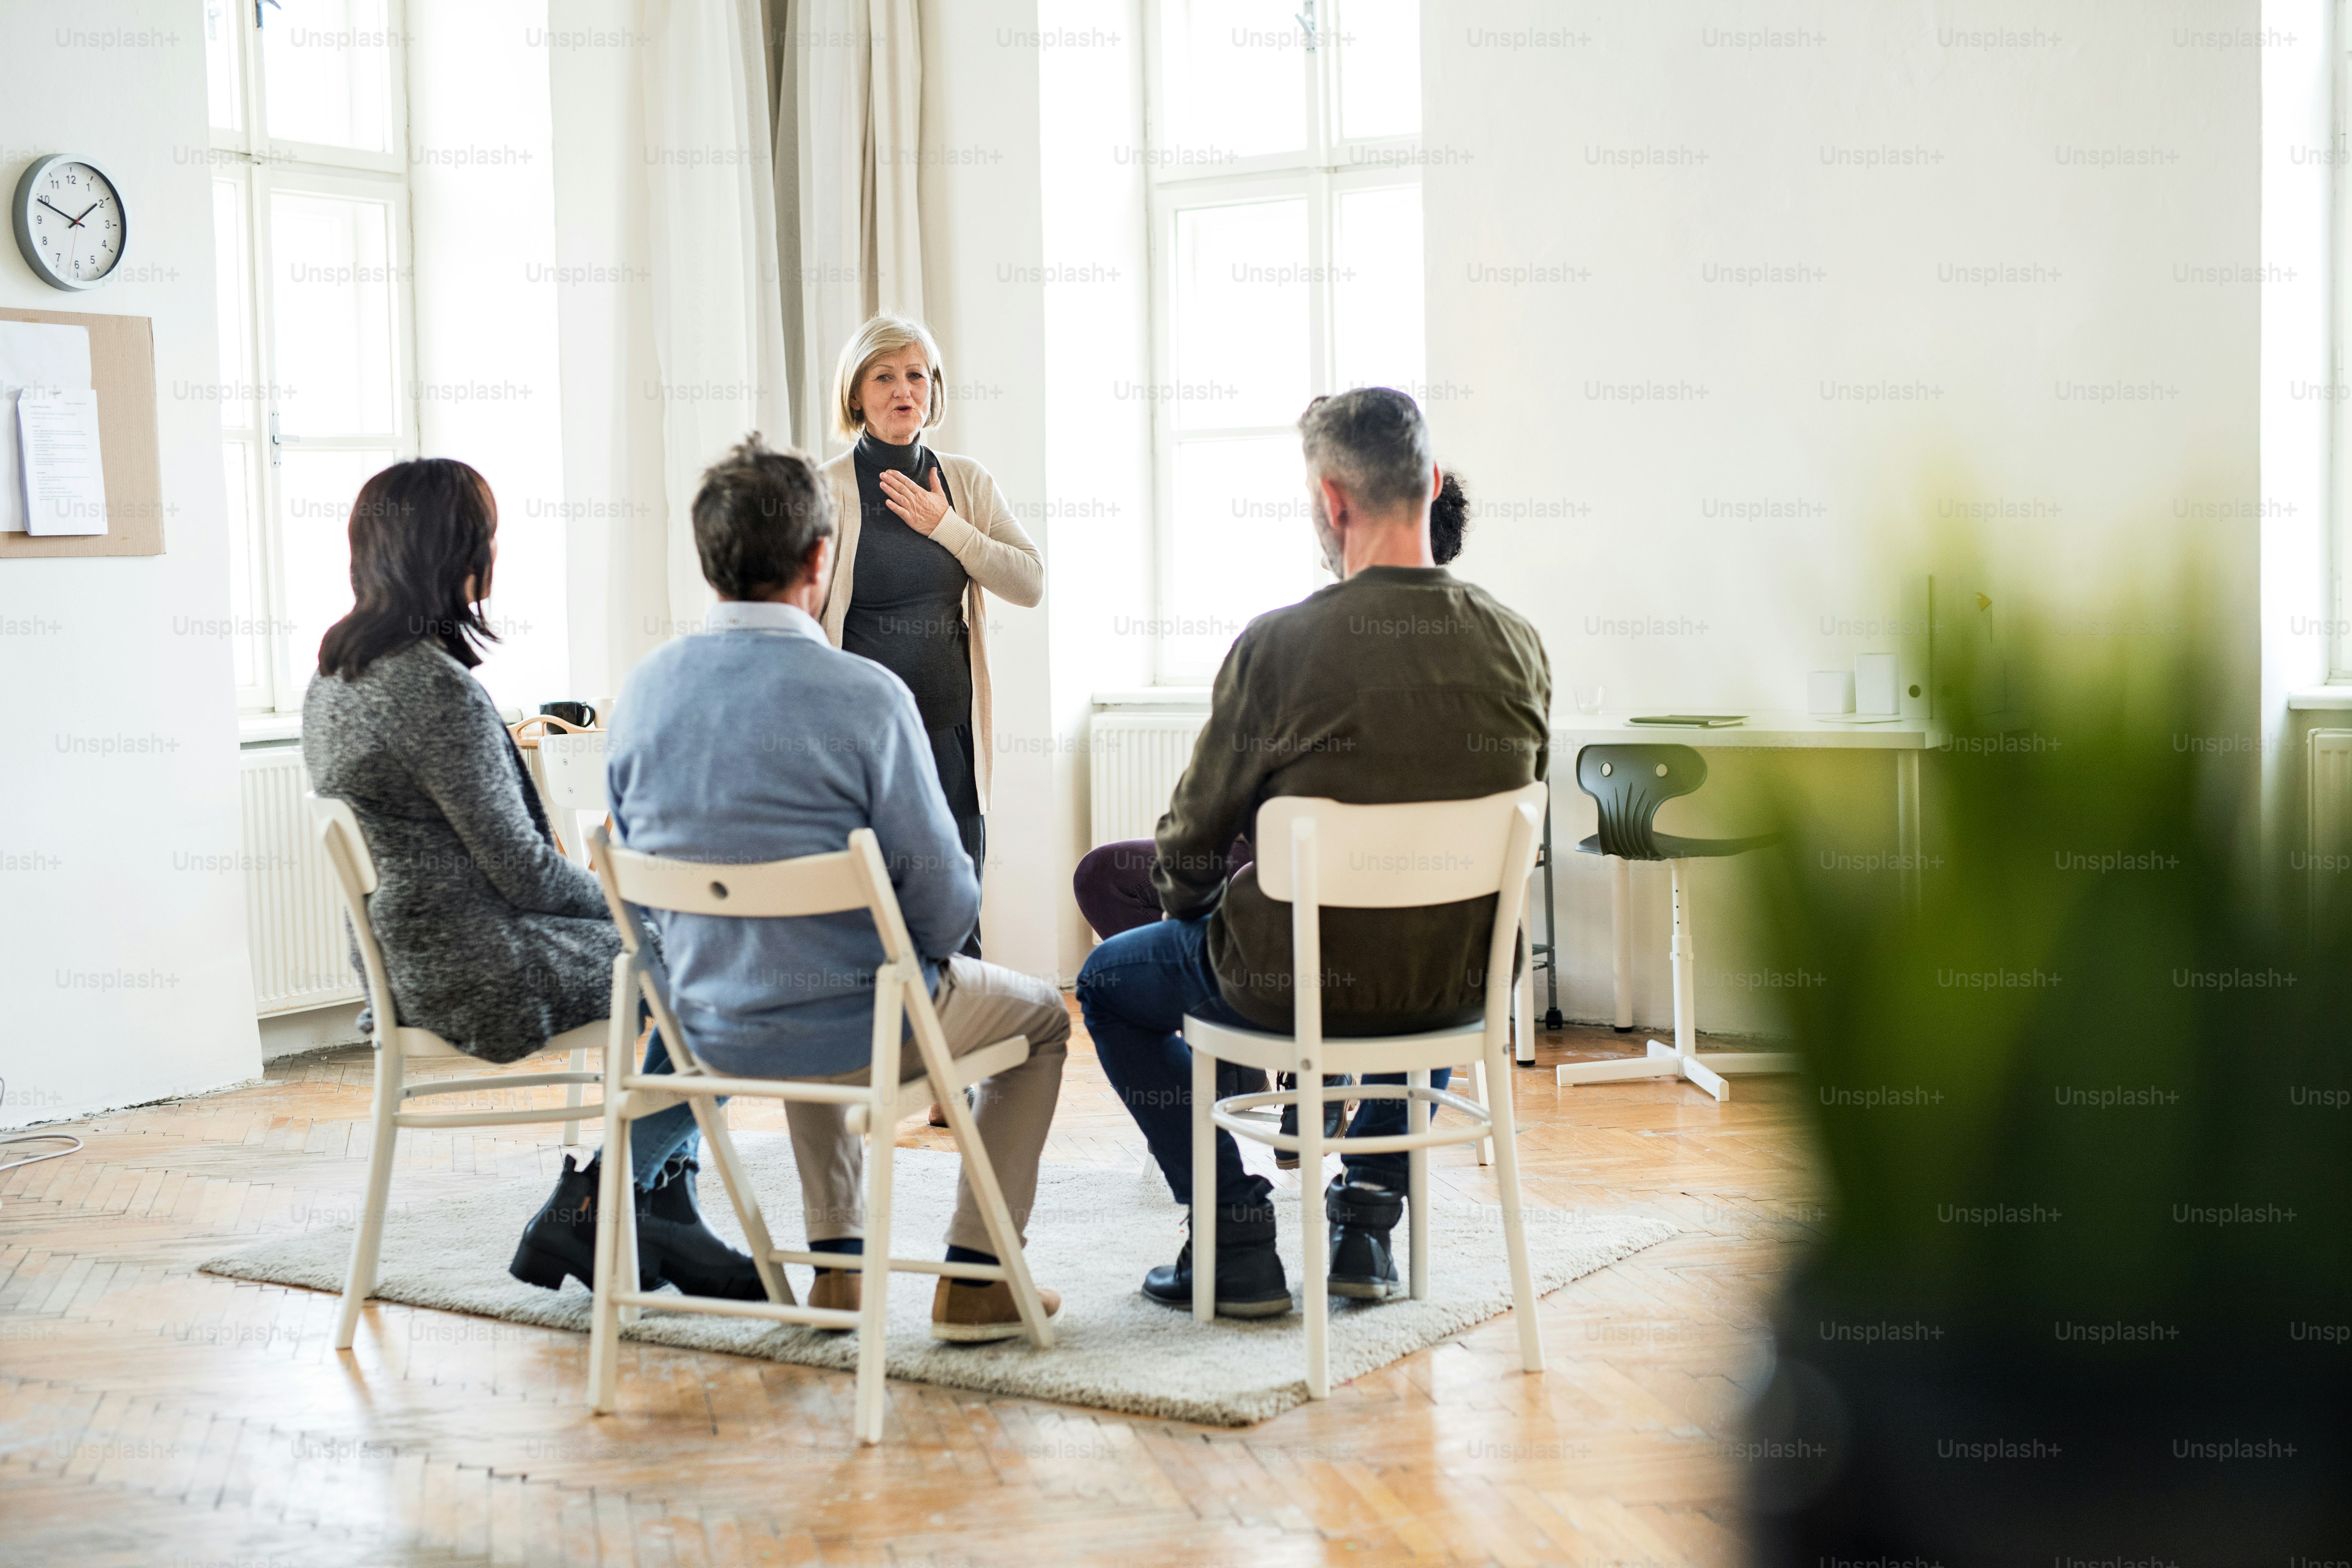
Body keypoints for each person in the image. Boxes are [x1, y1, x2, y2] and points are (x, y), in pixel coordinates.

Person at [1075, 393, 1549, 1316]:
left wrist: (1191, 903)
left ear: (1332, 502)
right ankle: (1367, 1225)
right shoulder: (1518, 645)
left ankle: (1235, 1234)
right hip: (1461, 984)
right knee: (1428, 957)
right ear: (1434, 485)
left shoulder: (1281, 645)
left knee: (1103, 983)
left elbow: (1191, 848)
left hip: (1288, 985)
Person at [605, 434, 1070, 1342]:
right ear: (821, 559)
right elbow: (947, 907)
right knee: (1042, 1018)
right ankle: (977, 1274)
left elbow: (644, 892)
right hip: (859, 1031)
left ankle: (843, 1274)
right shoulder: (866, 696)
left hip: (707, 1030)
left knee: (808, 964)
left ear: (708, 562)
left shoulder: (646, 691)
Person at [301, 458, 761, 1301]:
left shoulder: (334, 673)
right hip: (480, 967)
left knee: (683, 952)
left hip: (421, 953)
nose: (494, 551)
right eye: (486, 534)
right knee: (722, 968)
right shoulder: (430, 687)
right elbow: (523, 872)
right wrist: (636, 902)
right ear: (455, 552)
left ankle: (660, 1213)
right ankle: (598, 1201)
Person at [1070, 470, 1475, 942]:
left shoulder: (1296, 643)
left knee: (1111, 970)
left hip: (1330, 872)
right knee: (1107, 874)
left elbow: (1204, 823)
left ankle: (1219, 992)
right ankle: (1216, 985)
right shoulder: (1502, 646)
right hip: (1314, 860)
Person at [818, 313, 1042, 960]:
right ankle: (885, 1056)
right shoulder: (827, 488)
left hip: (951, 735)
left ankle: (957, 1058)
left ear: (935, 389)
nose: (902, 390)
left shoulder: (967, 482)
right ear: (856, 393)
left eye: (916, 375)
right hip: (866, 743)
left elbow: (1029, 582)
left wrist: (948, 527)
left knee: (957, 918)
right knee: (871, 917)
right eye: (883, 376)